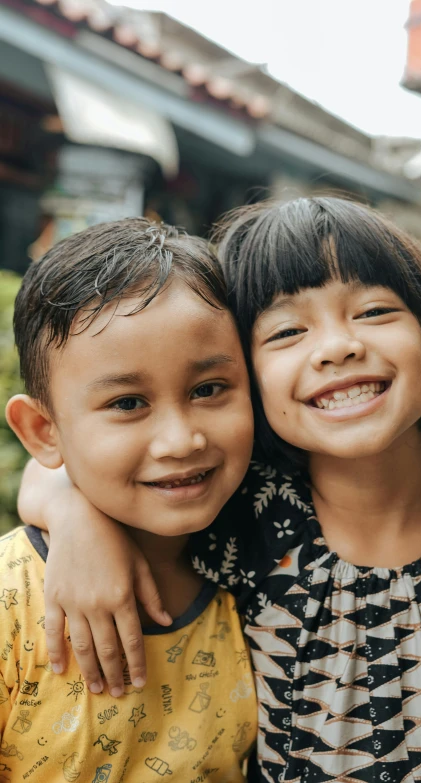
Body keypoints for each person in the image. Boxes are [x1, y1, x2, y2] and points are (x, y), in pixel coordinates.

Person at [19, 198, 421, 783]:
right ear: (246, 380)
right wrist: (75, 516)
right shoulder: (247, 515)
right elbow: (68, 459)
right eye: (287, 330)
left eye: (375, 310)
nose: (337, 347)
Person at [3, 219, 257, 782]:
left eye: (208, 390)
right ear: (44, 431)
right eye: (126, 403)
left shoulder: (268, 581)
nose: (181, 440)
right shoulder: (10, 604)